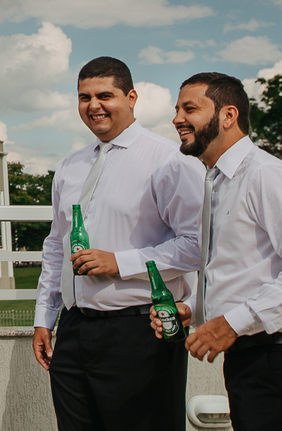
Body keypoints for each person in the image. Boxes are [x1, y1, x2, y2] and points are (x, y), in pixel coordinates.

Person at [33, 57, 203, 431]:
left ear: (131, 98)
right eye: (84, 97)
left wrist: (120, 262)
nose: (94, 105)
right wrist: (45, 316)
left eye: (104, 96)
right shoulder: (70, 166)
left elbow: (197, 246)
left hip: (142, 329)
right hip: (74, 330)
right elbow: (57, 245)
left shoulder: (171, 160)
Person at [163, 72, 282, 431]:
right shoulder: (218, 181)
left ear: (228, 115)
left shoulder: (267, 175)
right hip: (253, 361)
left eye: (189, 109)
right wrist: (194, 309)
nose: (177, 118)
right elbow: (240, 269)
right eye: (177, 110)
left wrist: (232, 323)